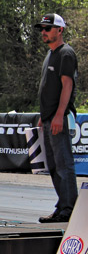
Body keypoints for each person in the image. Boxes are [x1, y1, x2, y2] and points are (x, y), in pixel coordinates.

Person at [35, 13, 79, 223]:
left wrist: (59, 114)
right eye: (42, 28)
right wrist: (43, 116)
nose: (43, 32)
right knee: (53, 166)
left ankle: (69, 209)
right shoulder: (50, 54)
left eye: (48, 28)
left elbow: (67, 85)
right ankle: (62, 206)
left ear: (60, 30)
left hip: (58, 118)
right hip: (49, 118)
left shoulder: (65, 54)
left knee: (63, 164)